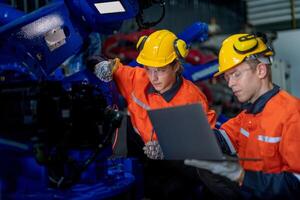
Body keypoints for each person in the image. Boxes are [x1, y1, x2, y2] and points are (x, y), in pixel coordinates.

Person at [184, 33, 300, 199]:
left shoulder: (292, 114)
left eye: (236, 74)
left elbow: (296, 184)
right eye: (227, 77)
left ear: (261, 70)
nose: (230, 84)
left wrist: (243, 176)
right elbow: (223, 138)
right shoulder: (248, 114)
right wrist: (186, 136)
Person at [92, 29, 216, 159]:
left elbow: (208, 143)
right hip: (138, 146)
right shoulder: (137, 79)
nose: (153, 77)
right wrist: (101, 66)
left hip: (174, 161)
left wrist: (170, 148)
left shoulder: (192, 99)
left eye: (161, 70)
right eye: (148, 69)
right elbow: (97, 60)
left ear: (176, 66)